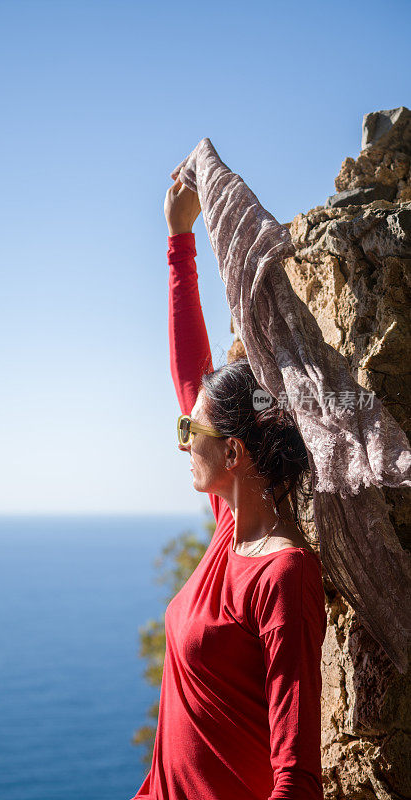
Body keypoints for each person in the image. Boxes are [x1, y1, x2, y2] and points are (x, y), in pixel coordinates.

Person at [129, 179, 327, 800]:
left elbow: (296, 778)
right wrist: (178, 242)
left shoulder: (283, 576)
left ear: (235, 453)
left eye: (194, 429)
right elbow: (191, 374)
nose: (184, 436)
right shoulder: (228, 531)